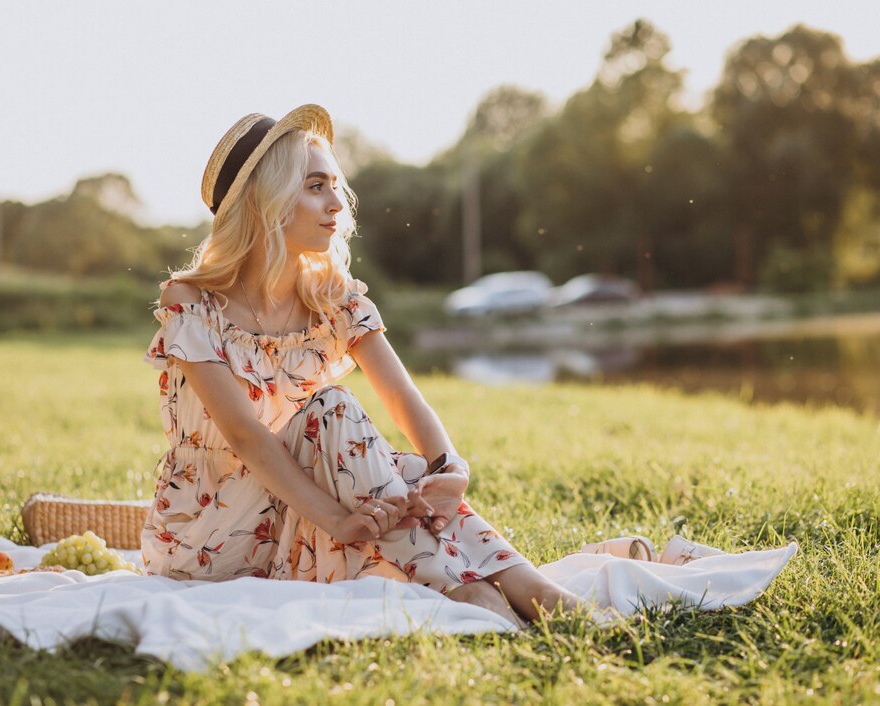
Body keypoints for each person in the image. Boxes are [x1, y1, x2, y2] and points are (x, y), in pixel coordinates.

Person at [139, 105, 586, 625]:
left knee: (415, 470)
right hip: (213, 542)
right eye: (314, 186)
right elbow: (245, 435)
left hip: (302, 520)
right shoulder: (192, 301)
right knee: (332, 409)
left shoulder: (334, 298)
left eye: (335, 185)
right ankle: (475, 590)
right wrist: (339, 520)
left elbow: (403, 398)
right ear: (267, 201)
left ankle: (521, 587)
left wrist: (451, 471)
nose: (336, 204)